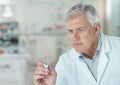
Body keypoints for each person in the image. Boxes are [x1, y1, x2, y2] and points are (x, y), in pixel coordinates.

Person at [33, 4, 120, 85]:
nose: (74, 37)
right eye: (71, 31)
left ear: (96, 29)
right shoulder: (65, 62)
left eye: (81, 29)